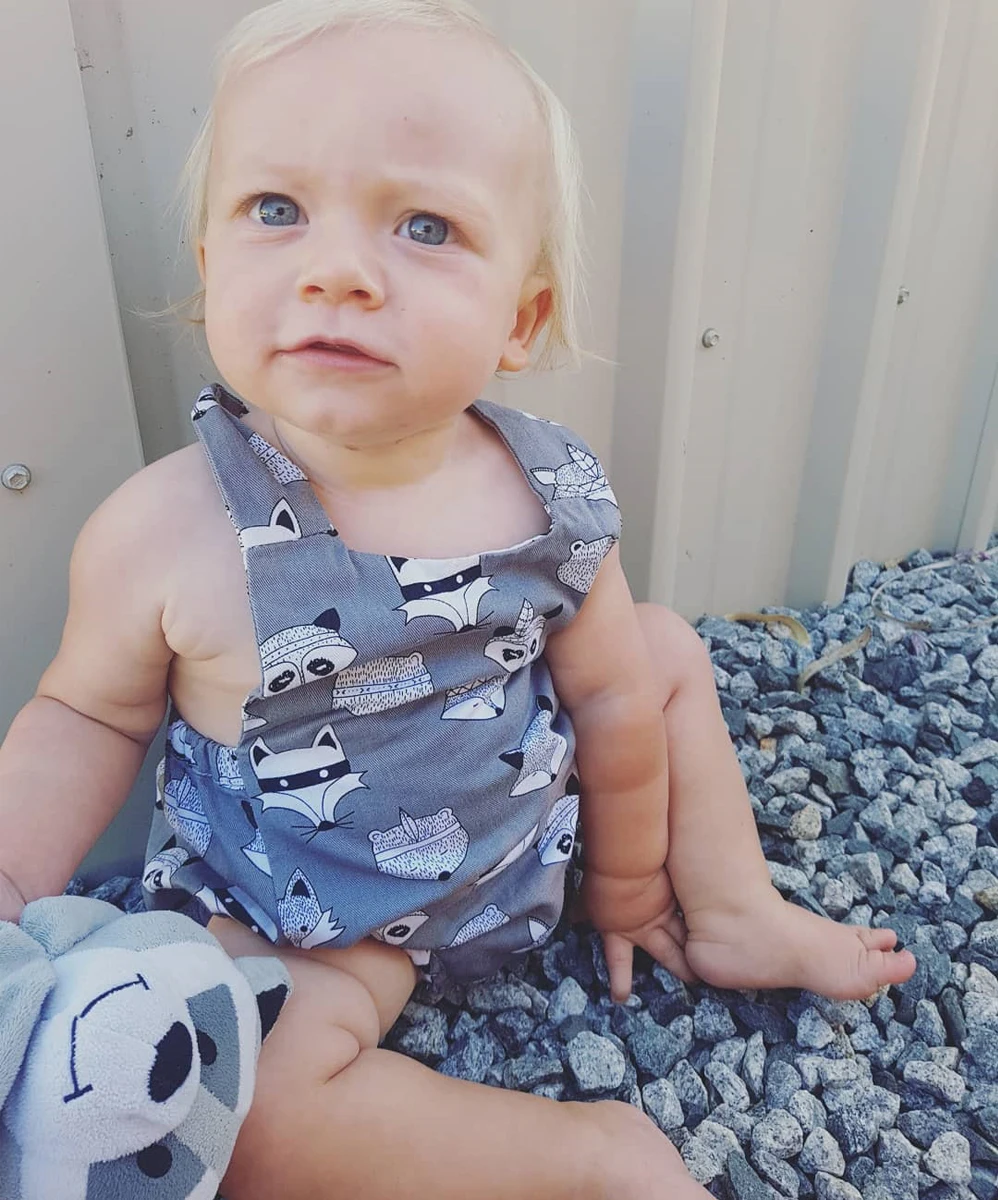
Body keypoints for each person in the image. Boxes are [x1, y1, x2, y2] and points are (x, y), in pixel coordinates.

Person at [0, 1, 916, 1195]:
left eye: (423, 226)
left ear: (519, 319)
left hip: (531, 838)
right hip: (313, 917)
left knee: (658, 649)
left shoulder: (551, 494)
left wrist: (626, 881)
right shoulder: (164, 532)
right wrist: (13, 884)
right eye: (275, 209)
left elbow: (610, 702)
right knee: (241, 1110)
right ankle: (587, 1160)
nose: (335, 270)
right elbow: (85, 718)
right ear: (213, 267)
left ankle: (733, 903)